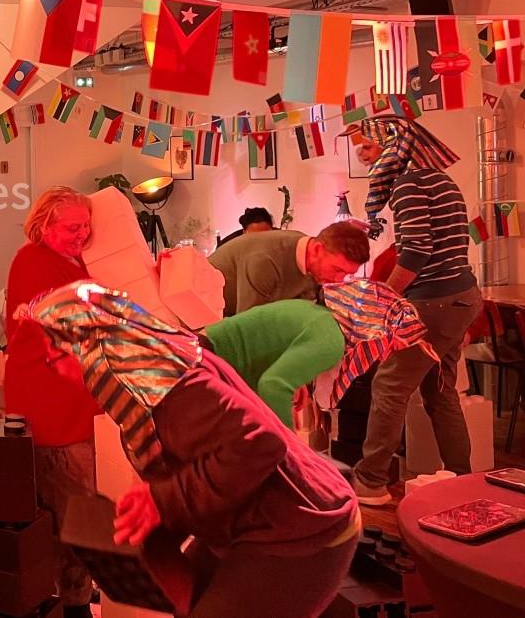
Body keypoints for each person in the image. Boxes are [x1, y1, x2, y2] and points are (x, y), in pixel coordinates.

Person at [26, 282, 360, 618]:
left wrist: (162, 501)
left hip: (306, 528)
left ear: (92, 346)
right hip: (253, 519)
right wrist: (151, 526)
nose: (56, 368)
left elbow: (259, 443)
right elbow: (199, 471)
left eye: (58, 355)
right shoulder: (152, 385)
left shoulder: (175, 389)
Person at [350, 116, 483, 506]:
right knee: (439, 390)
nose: (363, 156)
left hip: (434, 302)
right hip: (460, 296)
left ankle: (371, 482)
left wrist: (386, 299)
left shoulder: (408, 184)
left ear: (395, 147)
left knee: (390, 385)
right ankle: (461, 477)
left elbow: (417, 251)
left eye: (369, 147)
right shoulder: (439, 178)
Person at [3, 186, 102, 618]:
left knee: (78, 505)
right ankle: (74, 603)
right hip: (50, 405)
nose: (82, 234)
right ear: (44, 226)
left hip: (76, 401)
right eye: (72, 227)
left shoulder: (74, 259)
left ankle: (77, 589)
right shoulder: (32, 260)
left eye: (86, 226)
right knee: (69, 511)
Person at [199, 282, 431, 428]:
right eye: (390, 345)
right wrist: (292, 454)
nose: (384, 356)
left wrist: (294, 379)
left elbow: (269, 344)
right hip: (206, 365)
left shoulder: (320, 317)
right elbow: (272, 386)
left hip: (206, 356)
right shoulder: (331, 341)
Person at [207, 221, 371, 316]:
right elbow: (247, 327)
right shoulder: (265, 260)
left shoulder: (313, 265)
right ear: (317, 249)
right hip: (206, 319)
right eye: (337, 270)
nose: (338, 280)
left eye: (346, 274)